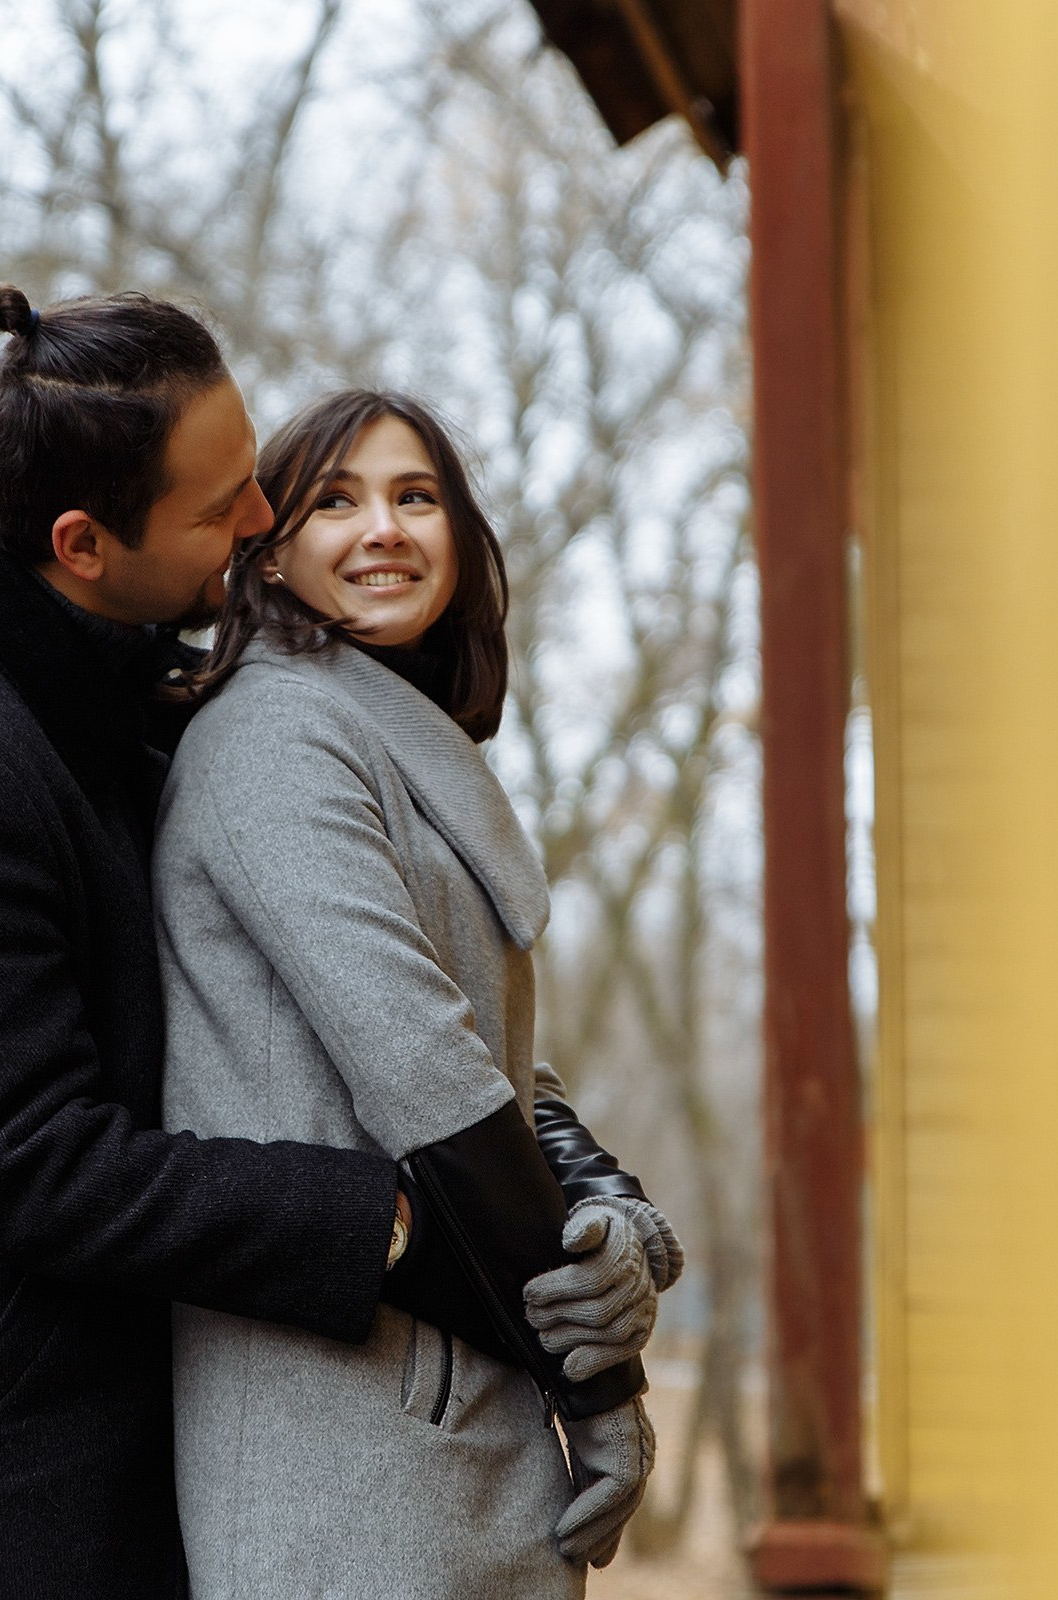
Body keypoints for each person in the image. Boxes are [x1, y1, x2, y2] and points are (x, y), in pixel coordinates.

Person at [0, 293, 658, 1600]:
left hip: (105, 1458)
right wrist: (382, 1226)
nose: (262, 518)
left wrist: (583, 1188)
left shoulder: (117, 687)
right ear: (84, 543)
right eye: (223, 510)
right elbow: (31, 1163)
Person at [157, 389, 686, 1598]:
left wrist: (607, 1210)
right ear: (266, 548)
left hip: (449, 1410)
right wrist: (598, 1383)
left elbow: (498, 1061)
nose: (384, 528)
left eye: (416, 495)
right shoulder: (275, 738)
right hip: (343, 1431)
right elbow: (427, 1070)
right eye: (335, 501)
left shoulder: (388, 735)